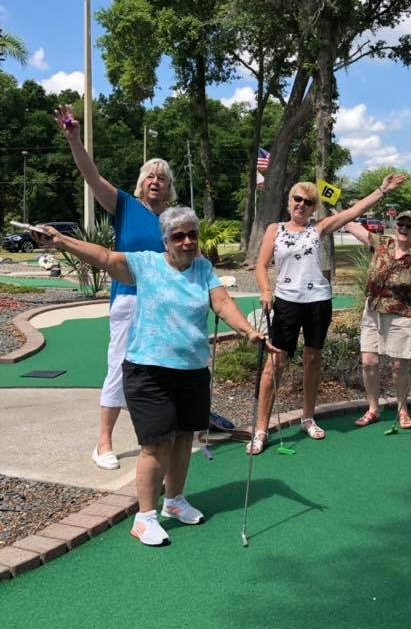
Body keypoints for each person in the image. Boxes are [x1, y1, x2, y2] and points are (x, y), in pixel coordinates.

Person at [38, 207, 275, 546]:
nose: (187, 241)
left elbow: (221, 303)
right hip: (148, 370)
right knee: (156, 445)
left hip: (192, 370)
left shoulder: (203, 268)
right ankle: (144, 517)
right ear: (166, 241)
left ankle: (174, 502)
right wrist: (61, 240)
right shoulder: (146, 265)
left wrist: (248, 331)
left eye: (191, 234)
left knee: (182, 439)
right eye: (178, 236)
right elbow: (105, 257)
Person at [54, 105, 176, 471]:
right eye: (151, 176)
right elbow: (92, 177)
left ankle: (158, 438)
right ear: (142, 182)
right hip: (128, 301)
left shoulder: (172, 220)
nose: (156, 181)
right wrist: (75, 139)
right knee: (120, 369)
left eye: (163, 178)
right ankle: (103, 441)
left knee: (160, 371)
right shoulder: (124, 205)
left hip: (162, 306)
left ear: (168, 188)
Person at [249, 173, 407, 454]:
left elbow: (353, 212)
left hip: (318, 301)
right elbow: (261, 266)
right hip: (286, 301)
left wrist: (382, 189)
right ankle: (260, 429)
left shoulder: (318, 228)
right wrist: (264, 290)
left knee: (312, 359)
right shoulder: (275, 229)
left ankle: (307, 417)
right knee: (276, 363)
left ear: (313, 208)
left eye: (308, 202)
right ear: (289, 202)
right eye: (297, 199)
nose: (301, 204)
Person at [344, 210, 411, 429]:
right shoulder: (382, 243)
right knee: (369, 362)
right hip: (373, 311)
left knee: (399, 367)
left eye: (409, 226)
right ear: (395, 225)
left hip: (402, 315)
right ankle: (373, 409)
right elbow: (354, 227)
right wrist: (334, 208)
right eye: (401, 224)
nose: (404, 228)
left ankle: (402, 409)